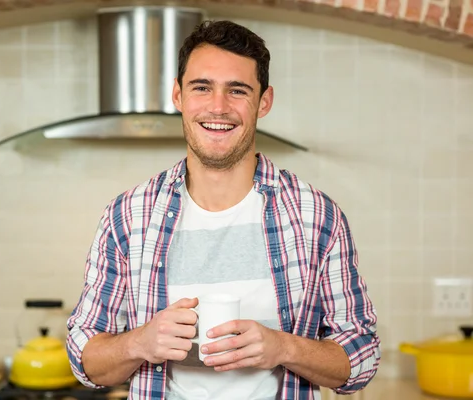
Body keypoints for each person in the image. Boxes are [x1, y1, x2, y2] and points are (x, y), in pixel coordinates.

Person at [66, 19, 381, 400]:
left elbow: (363, 358)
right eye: (202, 88)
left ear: (264, 102)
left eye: (237, 90)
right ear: (178, 96)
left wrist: (284, 348)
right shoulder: (128, 216)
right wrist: (140, 343)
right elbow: (84, 362)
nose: (218, 107)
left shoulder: (317, 216)